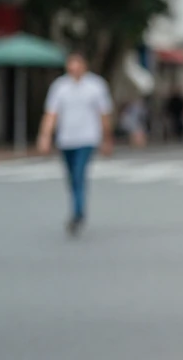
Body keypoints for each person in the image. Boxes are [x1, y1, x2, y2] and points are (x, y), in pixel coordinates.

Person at [37, 52, 115, 237]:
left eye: (77, 65)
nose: (74, 69)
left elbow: (104, 115)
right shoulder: (60, 87)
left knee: (80, 174)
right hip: (66, 139)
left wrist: (107, 139)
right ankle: (77, 206)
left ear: (84, 66)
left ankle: (78, 213)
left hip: (87, 138)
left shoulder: (96, 86)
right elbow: (51, 114)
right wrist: (45, 136)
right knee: (71, 177)